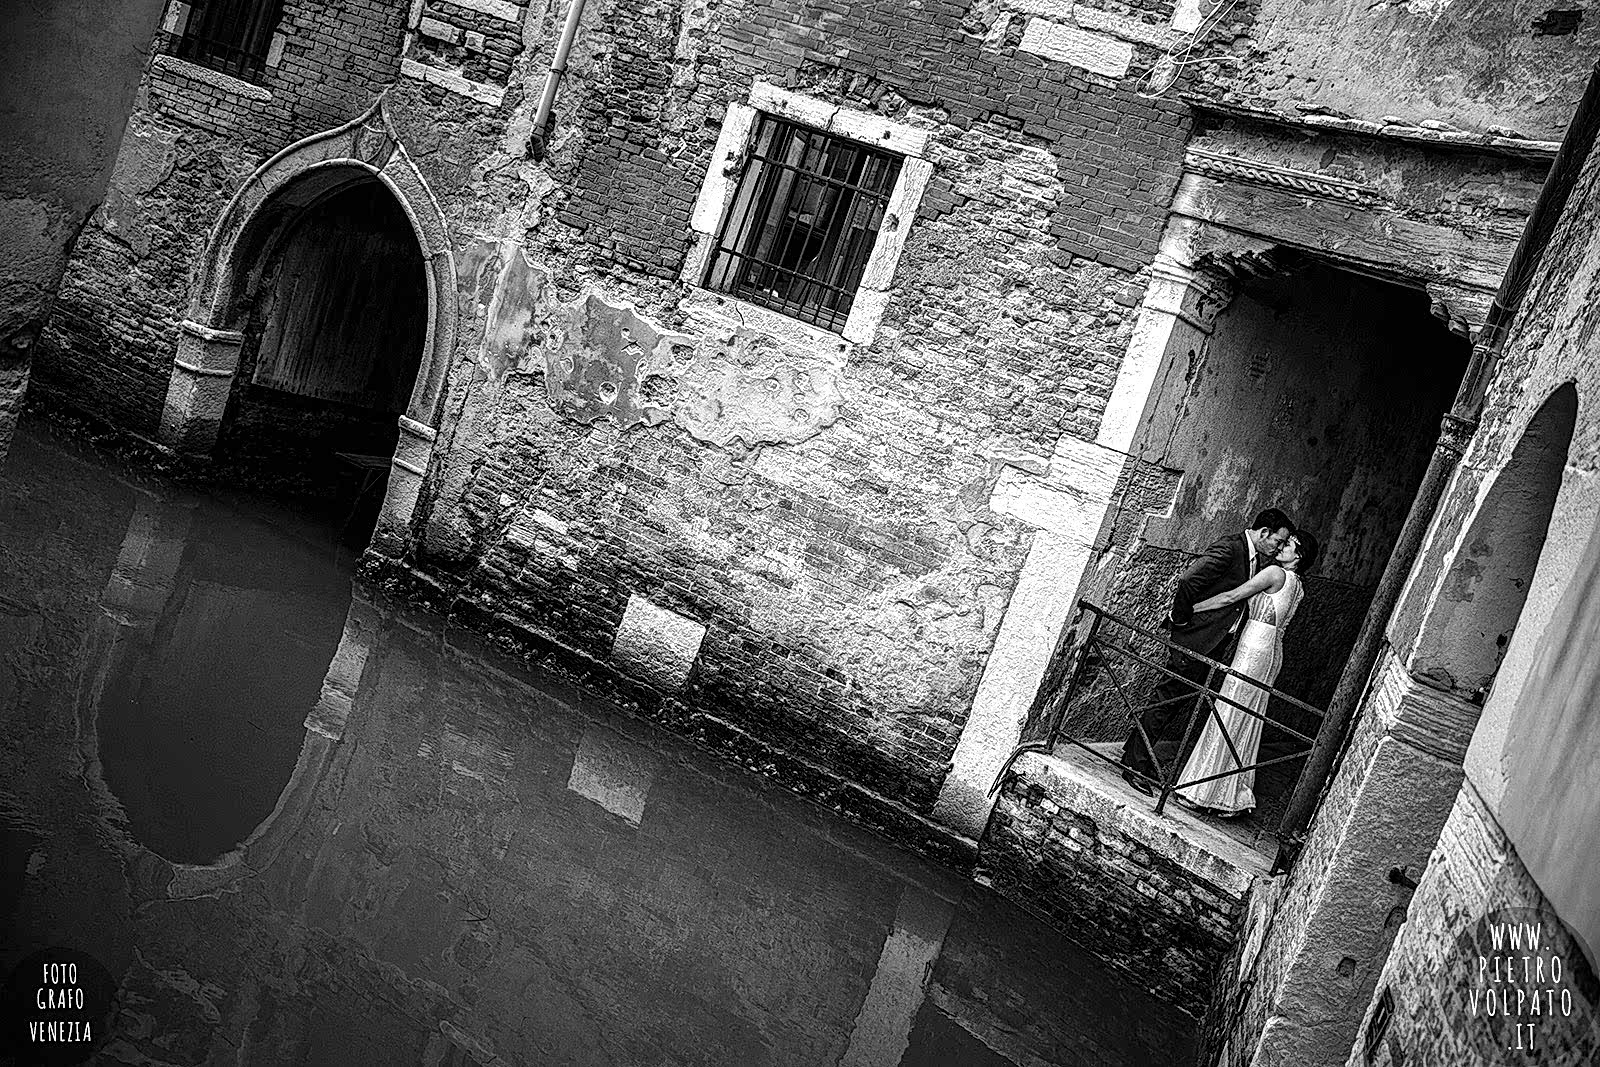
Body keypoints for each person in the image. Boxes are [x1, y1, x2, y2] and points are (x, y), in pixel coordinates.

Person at [1120, 507, 1296, 795]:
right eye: (1277, 541)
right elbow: (1189, 580)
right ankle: (1134, 764)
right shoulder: (1230, 548)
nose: (1277, 547)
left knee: (1175, 700)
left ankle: (1136, 754)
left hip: (1211, 642)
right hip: (1196, 638)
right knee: (1167, 700)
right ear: (1264, 533)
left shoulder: (1251, 556)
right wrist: (1181, 620)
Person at [1175, 529, 1318, 816]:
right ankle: (1230, 791)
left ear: (1298, 555)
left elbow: (1232, 597)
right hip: (1272, 651)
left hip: (1254, 648)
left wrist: (1191, 610)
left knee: (1229, 712)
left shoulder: (1275, 573)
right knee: (1246, 718)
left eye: (1288, 544)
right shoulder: (1298, 585)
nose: (1281, 546)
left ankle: (1203, 791)